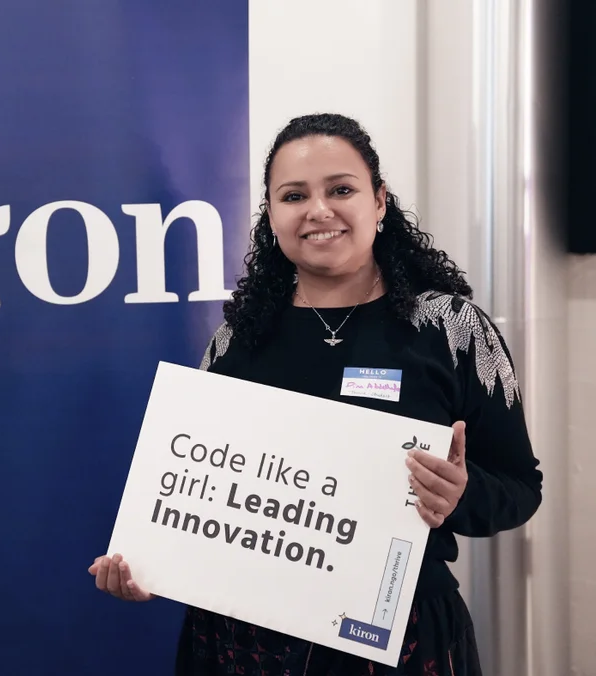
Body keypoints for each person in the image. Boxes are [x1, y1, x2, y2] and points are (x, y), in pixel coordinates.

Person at [88, 112, 543, 675]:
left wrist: (461, 495)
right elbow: (200, 500)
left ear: (379, 201)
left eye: (341, 189)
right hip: (241, 646)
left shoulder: (452, 329)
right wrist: (155, 566)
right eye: (293, 195)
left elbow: (522, 488)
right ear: (272, 215)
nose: (318, 210)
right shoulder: (237, 341)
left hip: (397, 642)